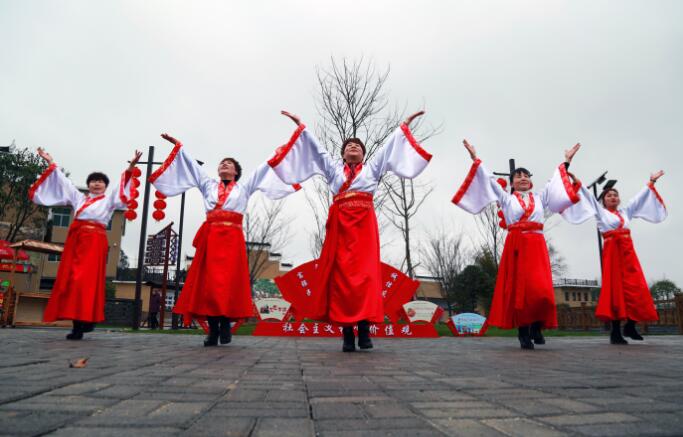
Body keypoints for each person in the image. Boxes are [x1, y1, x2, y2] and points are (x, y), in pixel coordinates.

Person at [271, 110, 431, 352]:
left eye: (357, 146)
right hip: (340, 229)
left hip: (364, 228)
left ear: (364, 154)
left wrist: (404, 125)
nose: (353, 147)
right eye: (349, 146)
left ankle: (364, 330)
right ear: (343, 154)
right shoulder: (334, 170)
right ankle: (347, 334)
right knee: (341, 281)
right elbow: (316, 150)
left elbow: (388, 147)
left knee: (366, 278)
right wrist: (301, 126)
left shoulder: (371, 170)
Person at [149, 133, 299, 346]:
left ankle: (226, 324)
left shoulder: (244, 188)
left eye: (228, 164)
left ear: (236, 171)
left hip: (232, 239)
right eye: (221, 164)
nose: (224, 166)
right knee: (210, 286)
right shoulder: (208, 185)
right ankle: (213, 331)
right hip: (211, 238)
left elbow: (265, 168)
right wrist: (178, 146)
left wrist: (284, 149)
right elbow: (192, 167)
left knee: (228, 285)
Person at [452, 139, 583, 349]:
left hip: (537, 245)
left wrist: (566, 162)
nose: (522, 178)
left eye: (526, 176)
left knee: (541, 291)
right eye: (518, 176)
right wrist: (475, 157)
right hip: (517, 246)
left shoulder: (541, 198)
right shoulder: (506, 199)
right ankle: (523, 331)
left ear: (530, 181)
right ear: (512, 182)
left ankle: (537, 325)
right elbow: (488, 180)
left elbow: (556, 181)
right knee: (521, 291)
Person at [30, 148, 141, 340]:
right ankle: (77, 326)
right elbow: (64, 183)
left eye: (100, 182)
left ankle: (86, 321)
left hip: (94, 243)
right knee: (72, 281)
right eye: (93, 181)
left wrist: (131, 166)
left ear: (105, 186)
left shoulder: (108, 201)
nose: (96, 184)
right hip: (76, 241)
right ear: (88, 185)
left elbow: (121, 188)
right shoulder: (79, 199)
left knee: (85, 282)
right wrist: (50, 162)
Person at [562, 171, 666, 344]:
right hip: (613, 255)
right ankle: (615, 332)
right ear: (603, 200)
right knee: (615, 292)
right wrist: (577, 181)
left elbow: (638, 199)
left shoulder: (625, 213)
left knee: (637, 289)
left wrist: (651, 182)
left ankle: (631, 325)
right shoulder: (601, 213)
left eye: (615, 195)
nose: (613, 197)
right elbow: (587, 197)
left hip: (628, 254)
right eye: (609, 195)